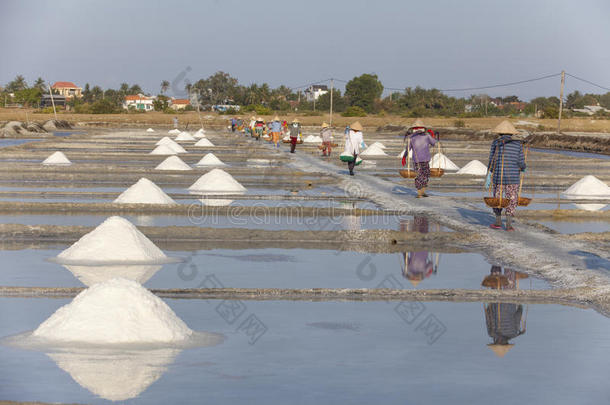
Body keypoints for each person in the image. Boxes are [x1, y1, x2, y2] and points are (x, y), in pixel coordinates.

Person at [487, 121, 526, 231]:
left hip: (498, 177)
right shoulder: (518, 144)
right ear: (512, 134)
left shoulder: (495, 143)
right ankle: (509, 225)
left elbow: (492, 160)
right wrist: (523, 168)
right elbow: (521, 161)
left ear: (499, 132)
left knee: (498, 199)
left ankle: (498, 222)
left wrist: (489, 172)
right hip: (513, 178)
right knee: (512, 199)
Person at [406, 119, 437, 198]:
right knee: (423, 175)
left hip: (420, 160)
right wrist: (432, 136)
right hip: (422, 159)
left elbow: (407, 149)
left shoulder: (412, 137)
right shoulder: (426, 136)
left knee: (421, 175)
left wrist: (404, 156)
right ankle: (420, 192)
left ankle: (421, 192)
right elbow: (434, 143)